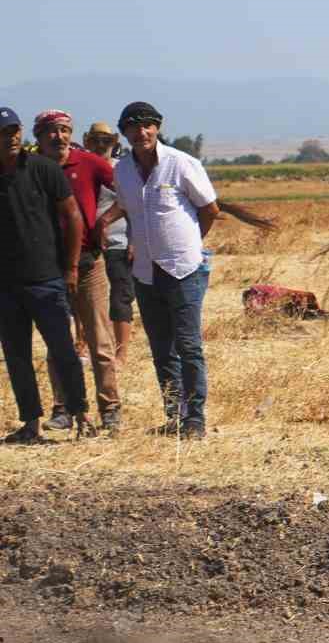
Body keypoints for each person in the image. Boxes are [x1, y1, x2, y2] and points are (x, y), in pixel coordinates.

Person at [112, 101, 219, 438]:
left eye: (147, 125)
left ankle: (195, 419)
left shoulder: (182, 163)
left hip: (182, 267)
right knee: (161, 349)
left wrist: (190, 242)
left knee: (188, 345)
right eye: (133, 126)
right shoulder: (122, 171)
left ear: (158, 127)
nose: (141, 132)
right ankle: (174, 415)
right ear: (124, 132)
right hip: (144, 271)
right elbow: (130, 212)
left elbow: (210, 209)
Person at [0, 106, 90, 442]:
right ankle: (30, 425)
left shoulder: (43, 169)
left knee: (63, 350)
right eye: (2, 133)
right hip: (6, 286)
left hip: (46, 279)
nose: (9, 138)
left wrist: (69, 268)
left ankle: (82, 416)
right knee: (17, 356)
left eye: (13, 131)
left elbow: (73, 218)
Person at [33, 111, 122, 435]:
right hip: (45, 267)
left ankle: (110, 408)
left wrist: (104, 220)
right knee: (58, 342)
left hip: (87, 263)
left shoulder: (90, 163)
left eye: (65, 130)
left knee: (100, 341)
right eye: (52, 131)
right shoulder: (29, 168)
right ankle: (63, 409)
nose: (59, 137)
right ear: (38, 136)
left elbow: (126, 193)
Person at [83, 122, 135, 369]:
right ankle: (85, 348)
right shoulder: (79, 169)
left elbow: (135, 207)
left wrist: (134, 240)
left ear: (115, 142)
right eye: (96, 140)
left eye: (106, 140)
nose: (101, 145)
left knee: (120, 298)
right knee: (87, 300)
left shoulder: (122, 170)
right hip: (87, 246)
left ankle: (121, 355)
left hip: (119, 242)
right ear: (87, 142)